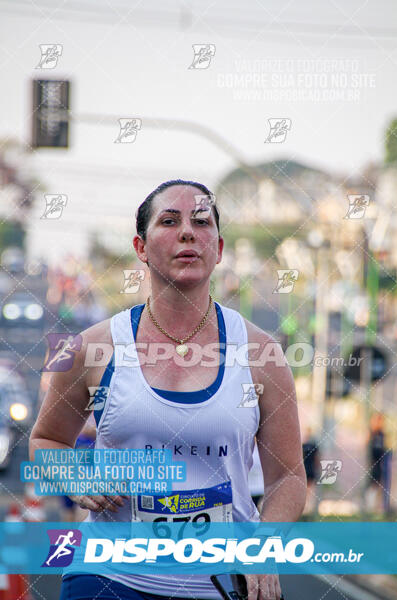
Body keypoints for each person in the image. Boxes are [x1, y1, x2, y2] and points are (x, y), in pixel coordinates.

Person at [29, 180, 306, 600]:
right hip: (109, 574)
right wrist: (73, 474)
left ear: (219, 247)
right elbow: (46, 440)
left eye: (201, 222)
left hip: (221, 580)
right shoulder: (93, 348)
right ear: (141, 248)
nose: (188, 233)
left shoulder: (261, 354)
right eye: (169, 221)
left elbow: (287, 476)